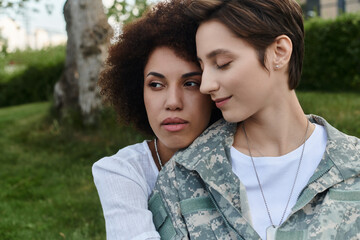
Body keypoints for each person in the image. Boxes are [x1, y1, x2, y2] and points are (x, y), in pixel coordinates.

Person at [149, 0, 360, 239]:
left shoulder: (354, 167)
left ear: (279, 52)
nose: (206, 85)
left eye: (222, 64)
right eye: (202, 67)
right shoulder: (184, 177)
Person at [92, 1, 221, 239]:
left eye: (190, 83)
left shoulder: (245, 152)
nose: (172, 102)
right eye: (156, 85)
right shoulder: (123, 171)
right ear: (137, 90)